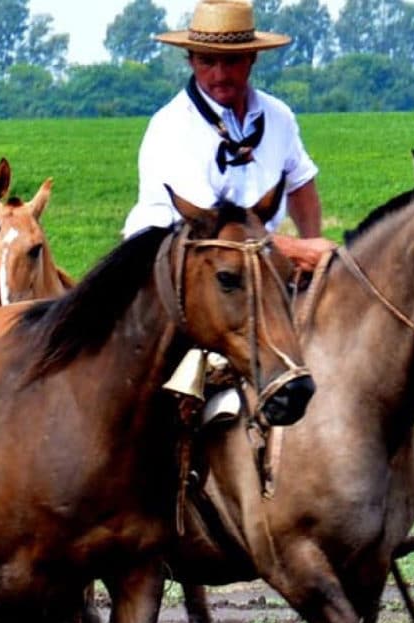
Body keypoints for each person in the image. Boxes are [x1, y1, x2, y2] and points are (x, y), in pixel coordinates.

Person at [126, 0, 330, 424]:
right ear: (191, 60)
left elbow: (302, 184)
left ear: (252, 59)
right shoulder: (172, 126)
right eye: (208, 62)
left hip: (257, 270)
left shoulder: (278, 117)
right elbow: (214, 234)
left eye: (232, 62)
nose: (220, 75)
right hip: (178, 274)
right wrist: (301, 250)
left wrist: (314, 250)